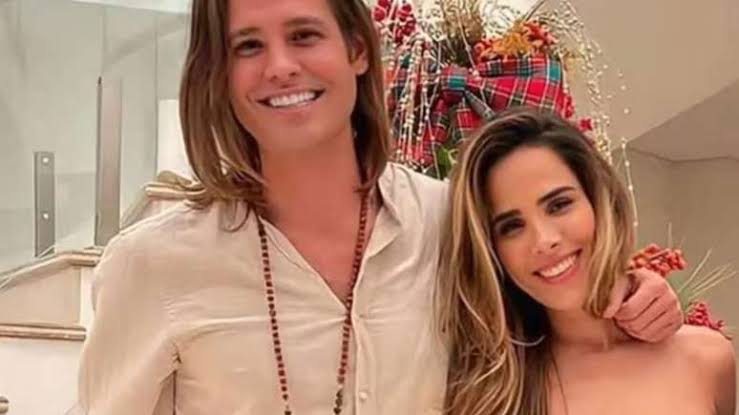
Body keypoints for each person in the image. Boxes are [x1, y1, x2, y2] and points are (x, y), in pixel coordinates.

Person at [77, 1, 684, 414]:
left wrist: (636, 294)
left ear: (357, 50)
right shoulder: (153, 264)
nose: (280, 66)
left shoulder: (454, 224)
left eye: (304, 35)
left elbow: (556, 310)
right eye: (248, 46)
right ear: (218, 75)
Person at [439, 107, 736, 415]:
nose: (544, 240)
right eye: (511, 227)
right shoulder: (489, 394)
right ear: (491, 250)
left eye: (559, 205)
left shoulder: (707, 358)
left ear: (599, 200)